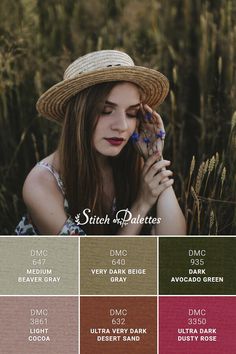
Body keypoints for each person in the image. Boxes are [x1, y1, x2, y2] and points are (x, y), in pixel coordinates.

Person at [15, 50, 186, 235]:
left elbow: (174, 243)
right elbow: (96, 263)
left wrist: (155, 157)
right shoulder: (41, 183)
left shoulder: (131, 162)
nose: (122, 126)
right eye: (106, 110)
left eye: (131, 113)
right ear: (78, 115)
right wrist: (141, 205)